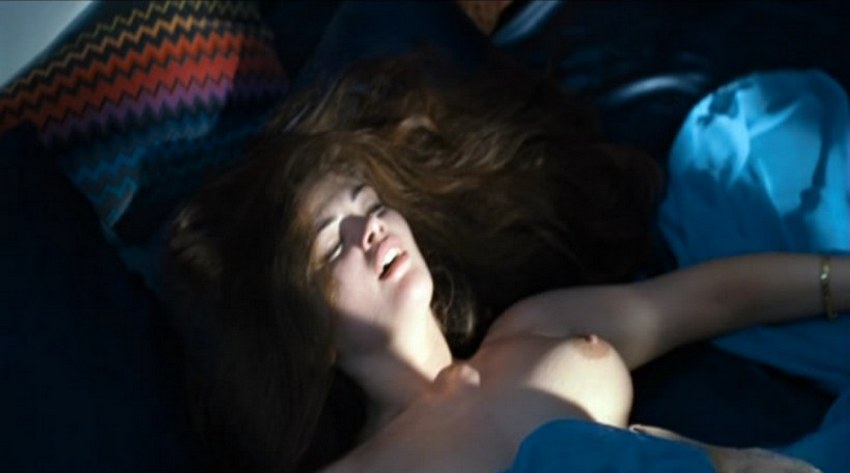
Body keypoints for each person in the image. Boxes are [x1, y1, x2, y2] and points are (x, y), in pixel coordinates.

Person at [163, 58, 846, 472]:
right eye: (333, 245)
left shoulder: (534, 327)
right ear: (305, 330)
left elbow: (704, 300)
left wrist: (838, 279)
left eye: (370, 204)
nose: (369, 229)